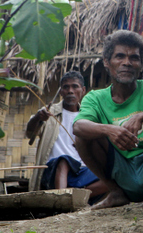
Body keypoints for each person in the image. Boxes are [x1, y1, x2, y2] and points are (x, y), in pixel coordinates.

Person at [73, 30, 143, 210]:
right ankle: (116, 192)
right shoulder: (95, 98)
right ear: (106, 62)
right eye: (119, 56)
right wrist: (110, 130)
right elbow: (78, 126)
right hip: (120, 172)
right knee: (84, 136)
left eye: (134, 58)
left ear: (141, 65)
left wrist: (141, 116)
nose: (127, 62)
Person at [26, 71, 106, 199]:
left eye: (75, 86)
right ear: (61, 92)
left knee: (111, 177)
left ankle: (74, 196)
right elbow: (29, 132)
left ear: (83, 90)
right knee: (64, 160)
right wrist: (37, 117)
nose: (70, 91)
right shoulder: (49, 113)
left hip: (81, 172)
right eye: (66, 87)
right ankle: (63, 201)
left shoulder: (88, 118)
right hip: (53, 172)